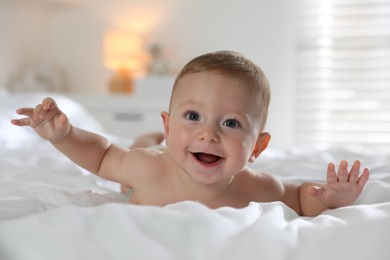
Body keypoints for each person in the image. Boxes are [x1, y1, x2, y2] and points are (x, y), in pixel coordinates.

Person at [11, 51, 370, 216]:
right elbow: (103, 155)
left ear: (257, 147)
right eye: (193, 116)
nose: (209, 134)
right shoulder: (147, 169)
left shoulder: (257, 187)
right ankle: (146, 139)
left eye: (231, 123)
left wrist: (328, 198)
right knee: (127, 169)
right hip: (147, 175)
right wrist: (64, 135)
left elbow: (299, 198)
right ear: (170, 128)